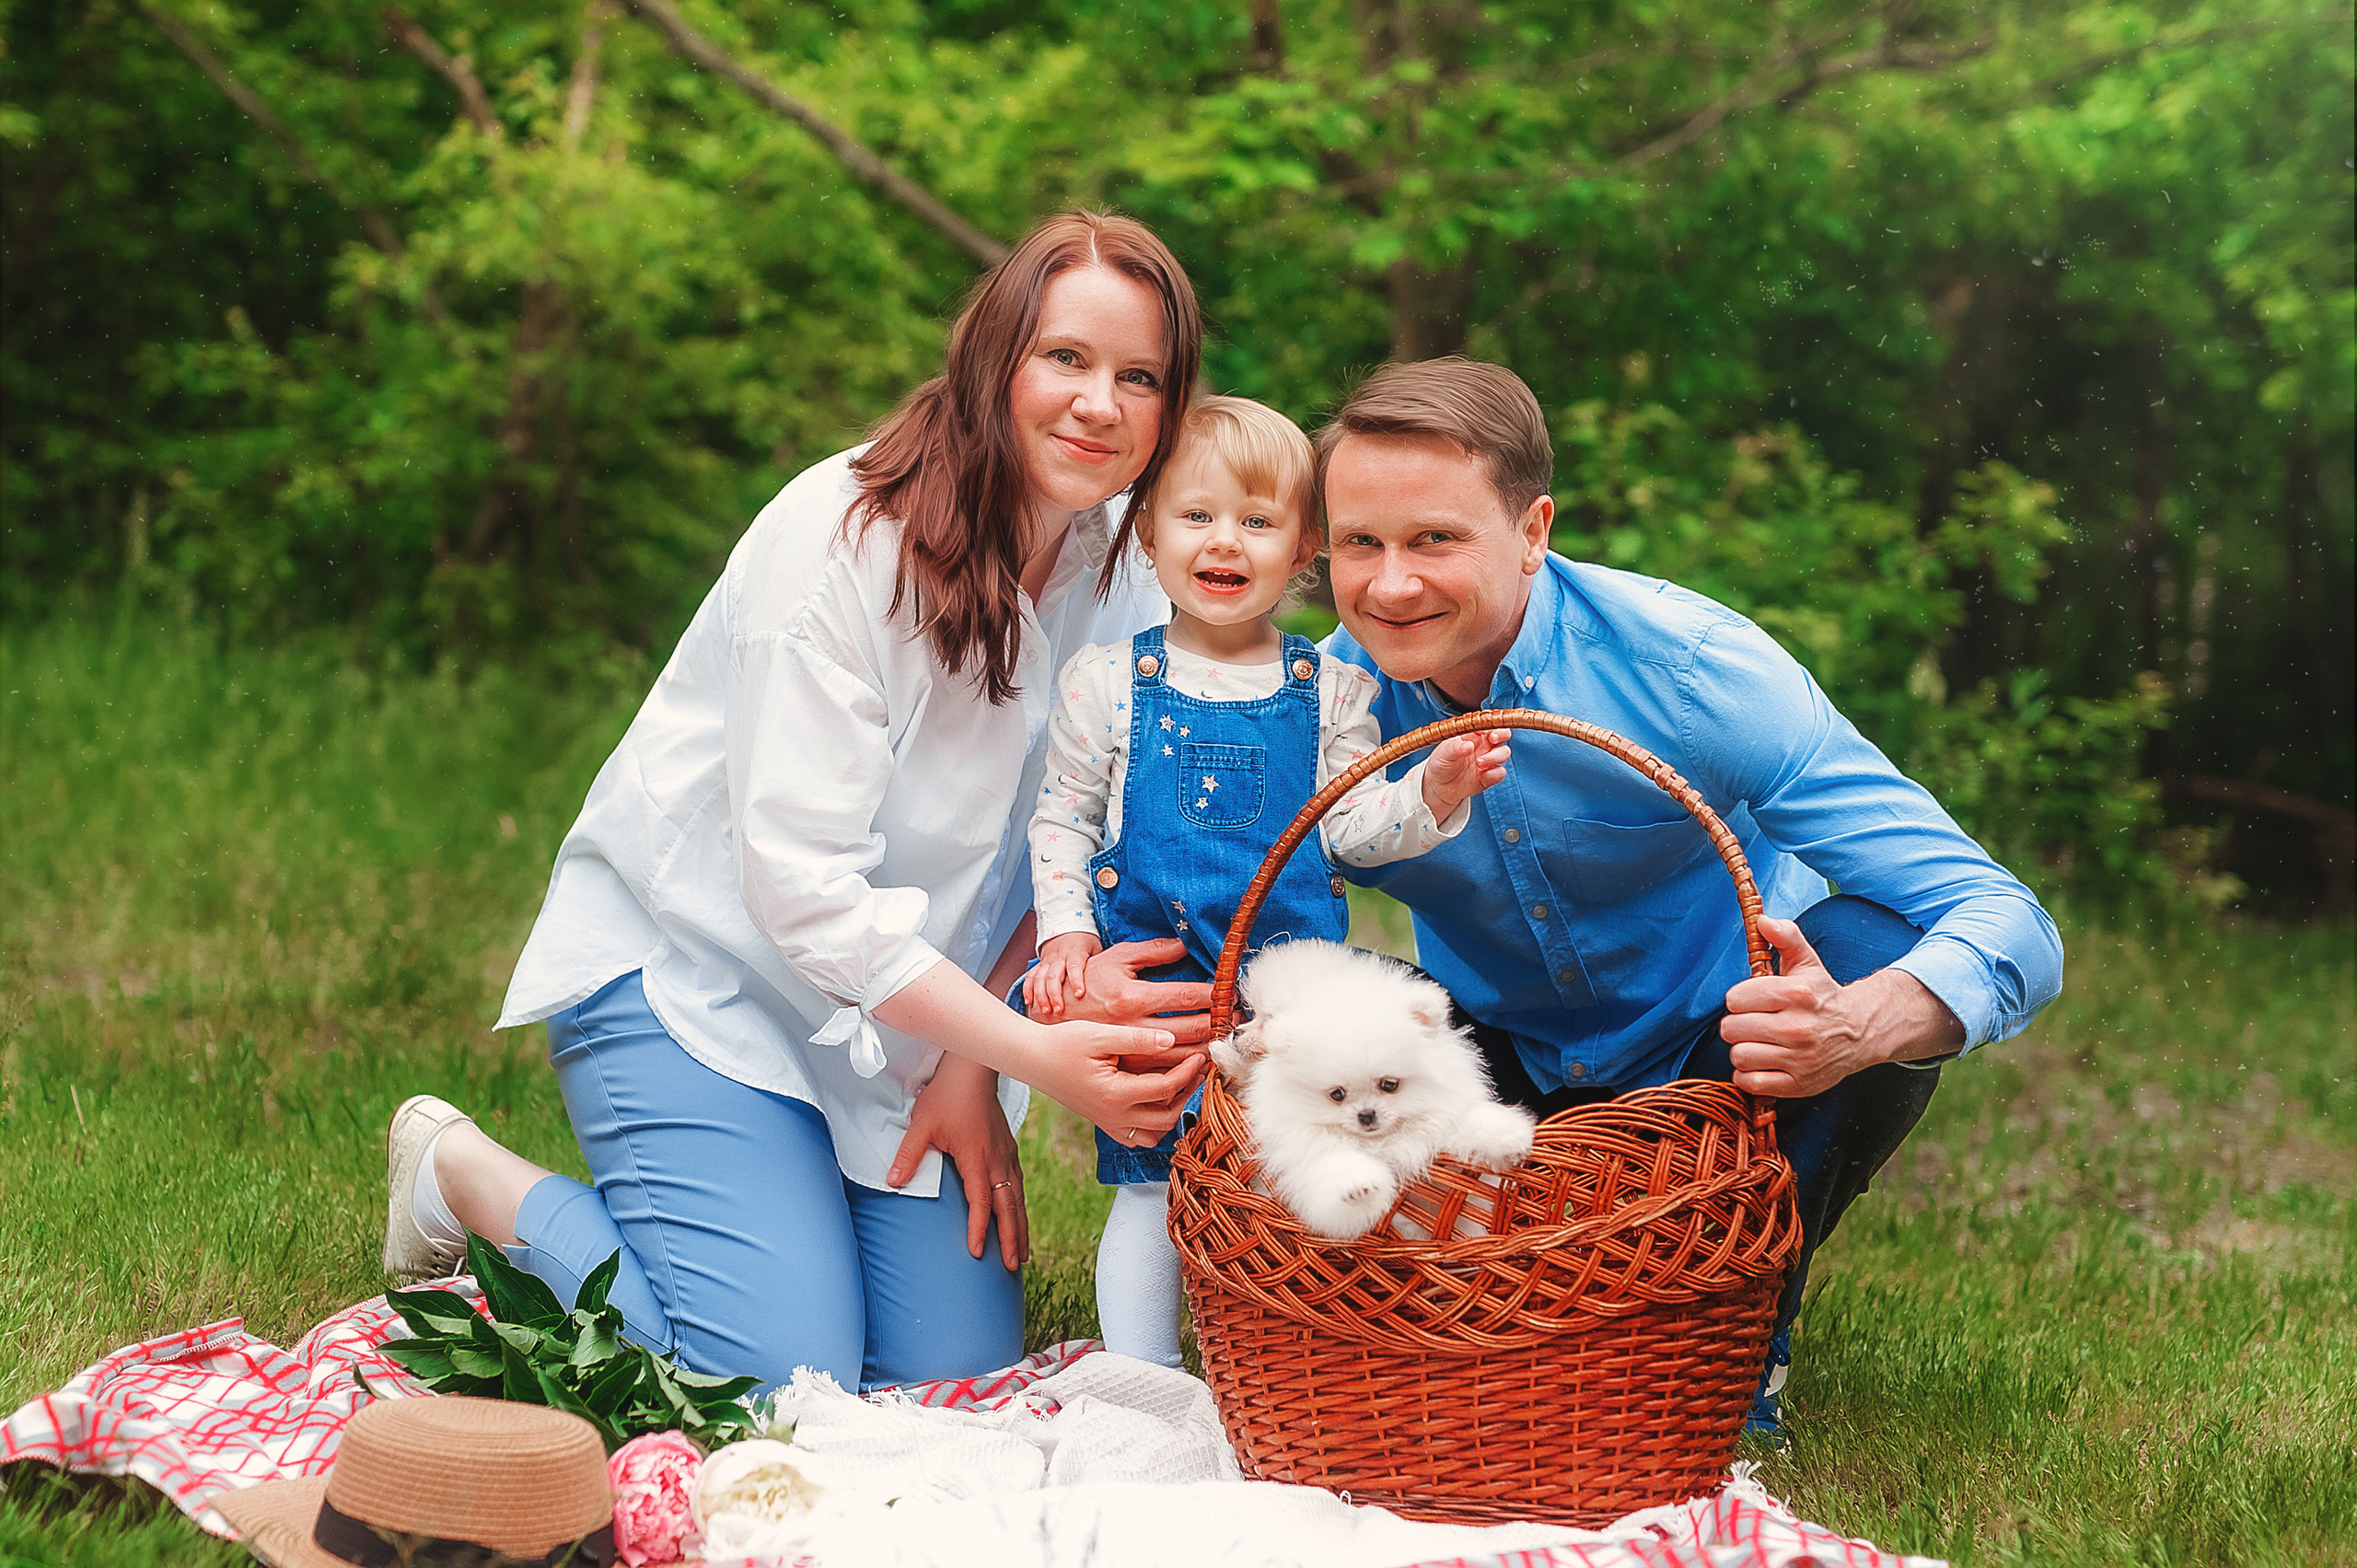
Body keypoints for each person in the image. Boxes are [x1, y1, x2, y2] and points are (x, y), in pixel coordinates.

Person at [379, 211, 1218, 1396]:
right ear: (994, 360)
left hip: (923, 1024)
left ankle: (789, 1202)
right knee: (772, 1382)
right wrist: (1038, 1045)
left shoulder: (1128, 576)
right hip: (702, 978)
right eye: (1065, 359)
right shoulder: (841, 537)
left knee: (946, 1382)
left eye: (1140, 377)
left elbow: (1077, 843)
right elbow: (799, 889)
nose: (1099, 403)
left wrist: (981, 1067)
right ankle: (460, 1171)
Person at [1312, 356, 2065, 1434]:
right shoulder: (1320, 710)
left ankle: (1731, 1330)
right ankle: (1393, 1307)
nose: (1390, 585)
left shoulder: (1692, 673)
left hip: (1731, 1079)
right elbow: (1226, 901)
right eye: (1359, 544)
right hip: (1497, 1084)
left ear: (1532, 532)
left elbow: (2008, 921)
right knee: (1302, 988)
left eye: (1434, 539)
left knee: (1869, 939)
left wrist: (1851, 1025)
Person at [1017, 396, 1510, 1366]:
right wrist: (1065, 933)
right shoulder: (1106, 679)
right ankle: (1148, 1374)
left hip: (1287, 992)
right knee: (1155, 1182)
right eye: (1197, 515)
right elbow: (1063, 819)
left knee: (1312, 1157)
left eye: (1257, 519)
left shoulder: (1332, 690)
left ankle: (1304, 1360)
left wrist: (1431, 790)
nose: (1224, 541)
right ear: (1145, 532)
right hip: (1158, 981)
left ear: (1303, 553)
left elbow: (1353, 831)